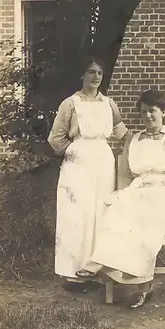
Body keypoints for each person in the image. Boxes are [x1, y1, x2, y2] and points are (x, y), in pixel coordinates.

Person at [76, 89, 165, 309]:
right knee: (117, 214)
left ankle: (141, 285)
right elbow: (125, 175)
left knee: (144, 222)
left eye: (153, 111)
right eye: (143, 112)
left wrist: (163, 185)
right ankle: (106, 264)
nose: (148, 116)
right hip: (139, 190)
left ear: (164, 112)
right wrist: (122, 194)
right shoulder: (134, 139)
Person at [47, 56, 129, 289]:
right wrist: (73, 152)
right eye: (91, 72)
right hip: (78, 165)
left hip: (103, 162)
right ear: (82, 75)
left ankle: (96, 271)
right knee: (76, 214)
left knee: (100, 214)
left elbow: (122, 133)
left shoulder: (109, 104)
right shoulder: (70, 104)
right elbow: (55, 138)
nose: (95, 77)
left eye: (100, 73)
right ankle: (72, 274)